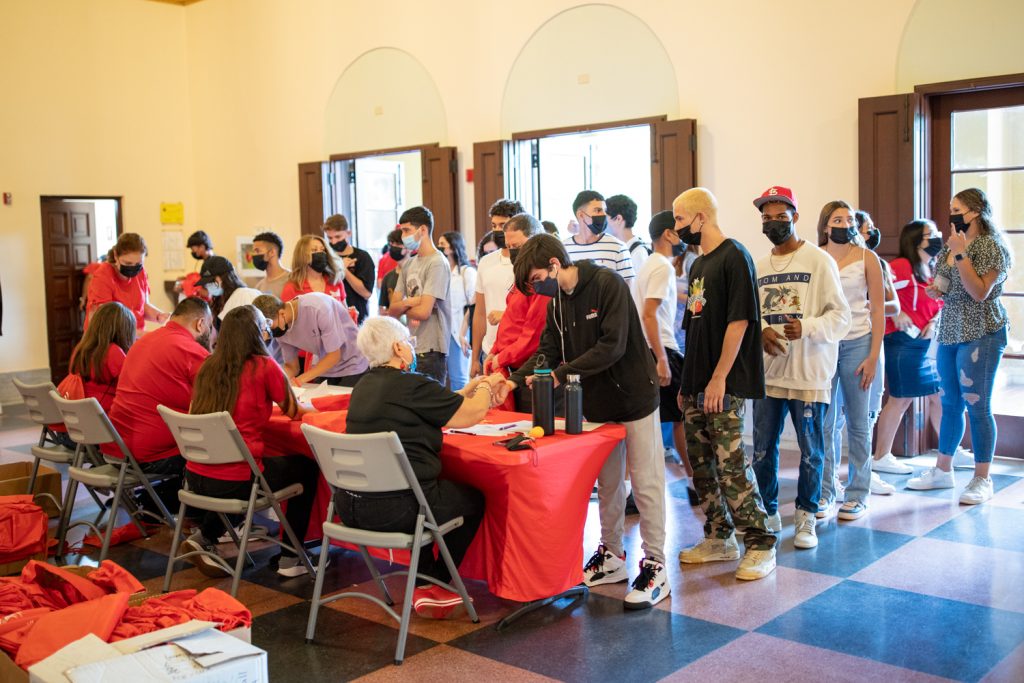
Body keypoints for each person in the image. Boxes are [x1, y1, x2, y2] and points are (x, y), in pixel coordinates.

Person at [496, 233, 670, 610]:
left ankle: (656, 563)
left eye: (536, 278)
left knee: (646, 481)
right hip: (598, 402)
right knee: (608, 484)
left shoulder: (607, 285)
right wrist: (510, 378)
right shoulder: (557, 303)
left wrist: (561, 373)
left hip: (635, 396)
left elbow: (613, 345)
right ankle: (612, 555)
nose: (534, 288)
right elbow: (547, 350)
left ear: (555, 266)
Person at [344, 316, 505, 618]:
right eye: (408, 341)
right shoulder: (412, 385)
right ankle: (436, 582)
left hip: (352, 506)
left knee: (420, 492)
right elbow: (471, 414)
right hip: (399, 509)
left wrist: (467, 390)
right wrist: (485, 385)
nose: (411, 347)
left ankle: (425, 580)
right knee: (470, 499)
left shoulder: (363, 387)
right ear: (398, 348)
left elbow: (435, 405)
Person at [673, 188, 775, 582]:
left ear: (701, 217)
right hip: (697, 385)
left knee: (732, 468)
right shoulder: (697, 266)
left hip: (725, 384)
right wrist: (689, 382)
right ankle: (719, 537)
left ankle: (760, 543)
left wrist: (718, 378)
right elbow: (694, 330)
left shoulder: (735, 256)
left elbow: (739, 323)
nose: (678, 228)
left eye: (682, 220)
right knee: (703, 467)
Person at [184, 305, 320, 578]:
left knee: (245, 469)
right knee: (305, 467)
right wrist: (320, 409)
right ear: (257, 333)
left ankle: (206, 535)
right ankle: (293, 556)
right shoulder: (263, 365)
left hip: (196, 474)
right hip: (236, 479)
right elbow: (294, 411)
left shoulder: (209, 365)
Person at [750, 187, 851, 550]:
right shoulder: (758, 267)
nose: (773, 222)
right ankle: (768, 511)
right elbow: (751, 315)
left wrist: (806, 327)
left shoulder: (819, 261)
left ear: (795, 215)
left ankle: (807, 514)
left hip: (809, 373)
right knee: (762, 449)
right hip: (769, 374)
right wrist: (761, 331)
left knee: (811, 450)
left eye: (780, 216)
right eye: (766, 217)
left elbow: (842, 316)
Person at [908, 188, 1012, 504]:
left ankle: (982, 478)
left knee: (977, 403)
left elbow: (979, 292)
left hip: (982, 330)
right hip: (950, 329)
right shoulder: (950, 248)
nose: (952, 215)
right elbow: (943, 284)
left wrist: (962, 254)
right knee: (950, 401)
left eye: (958, 209)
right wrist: (934, 290)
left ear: (976, 212)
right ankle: (943, 470)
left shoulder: (992, 248)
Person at [818, 200, 886, 521]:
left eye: (848, 219)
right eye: (837, 219)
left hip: (858, 343)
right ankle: (826, 489)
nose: (844, 223)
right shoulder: (816, 256)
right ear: (826, 226)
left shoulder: (866, 257)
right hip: (825, 345)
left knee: (859, 423)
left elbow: (877, 309)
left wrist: (873, 356)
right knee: (826, 423)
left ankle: (858, 492)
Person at [104, 297, 213, 497]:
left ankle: (158, 506)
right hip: (147, 455)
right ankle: (205, 518)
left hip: (116, 445)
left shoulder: (142, 341)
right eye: (210, 326)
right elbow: (215, 405)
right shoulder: (193, 351)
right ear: (201, 324)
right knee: (220, 451)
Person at [872, 219, 946, 474]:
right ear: (916, 240)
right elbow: (879, 293)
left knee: (938, 397)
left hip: (925, 345)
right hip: (902, 341)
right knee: (900, 399)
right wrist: (897, 313)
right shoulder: (901, 267)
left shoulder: (932, 269)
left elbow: (940, 305)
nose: (937, 237)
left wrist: (935, 321)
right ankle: (881, 456)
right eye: (930, 234)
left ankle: (949, 451)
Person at [636, 210, 694, 494]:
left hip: (653, 349)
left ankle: (637, 489)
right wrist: (662, 359)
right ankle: (695, 482)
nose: (684, 232)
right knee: (681, 418)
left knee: (665, 420)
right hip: (661, 349)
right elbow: (649, 315)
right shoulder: (662, 267)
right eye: (679, 226)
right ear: (668, 234)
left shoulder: (651, 265)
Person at [482, 214, 552, 412]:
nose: (513, 252)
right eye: (509, 247)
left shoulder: (540, 283)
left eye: (518, 246)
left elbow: (532, 336)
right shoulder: (521, 277)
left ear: (536, 241)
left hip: (529, 371)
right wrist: (494, 350)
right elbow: (510, 322)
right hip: (509, 365)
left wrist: (500, 358)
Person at [389, 206, 452, 385]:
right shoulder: (409, 264)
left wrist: (404, 306)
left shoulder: (437, 263)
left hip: (432, 349)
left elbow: (424, 312)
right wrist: (414, 300)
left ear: (422, 230)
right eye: (402, 231)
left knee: (430, 406)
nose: (403, 236)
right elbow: (392, 310)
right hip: (411, 346)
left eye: (407, 230)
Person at [255, 292, 368, 387]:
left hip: (353, 362)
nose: (270, 332)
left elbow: (334, 355)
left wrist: (299, 380)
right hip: (326, 367)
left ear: (282, 313)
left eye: (270, 326)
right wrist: (272, 381)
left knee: (343, 405)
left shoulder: (318, 309)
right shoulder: (281, 329)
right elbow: (292, 367)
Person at [470, 199, 523, 377]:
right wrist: (474, 358)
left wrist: (506, 315)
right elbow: (479, 312)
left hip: (519, 349)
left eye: (503, 225)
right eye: (494, 225)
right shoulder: (486, 262)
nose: (497, 230)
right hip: (490, 350)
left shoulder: (528, 262)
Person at [86, 232, 169, 332]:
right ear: (116, 255)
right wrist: (142, 335)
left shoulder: (141, 272)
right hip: (109, 339)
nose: (133, 267)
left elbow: (142, 306)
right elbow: (104, 321)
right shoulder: (103, 276)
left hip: (135, 336)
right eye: (128, 263)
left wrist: (159, 316)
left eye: (138, 263)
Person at [66, 302, 137, 414]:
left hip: (82, 415)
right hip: (105, 417)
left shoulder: (80, 349)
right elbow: (133, 386)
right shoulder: (113, 352)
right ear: (123, 331)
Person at [562, 190, 635, 286]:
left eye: (605, 211)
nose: (603, 215)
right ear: (581, 215)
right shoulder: (564, 249)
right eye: (598, 210)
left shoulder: (618, 247)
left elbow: (627, 291)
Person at [437, 232, 476, 390]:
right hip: (444, 330)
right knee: (447, 378)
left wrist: (464, 333)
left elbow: (473, 305)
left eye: (442, 244)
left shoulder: (467, 273)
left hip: (461, 330)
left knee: (460, 377)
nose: (439, 247)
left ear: (453, 247)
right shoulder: (442, 271)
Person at [323, 214, 375, 323]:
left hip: (357, 318)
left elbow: (366, 293)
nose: (333, 242)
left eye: (338, 237)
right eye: (330, 238)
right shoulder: (325, 258)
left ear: (349, 233)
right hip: (331, 318)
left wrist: (344, 270)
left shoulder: (362, 257)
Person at [195, 256, 262, 327]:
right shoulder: (221, 300)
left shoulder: (246, 294)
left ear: (222, 278)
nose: (207, 286)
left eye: (210, 282)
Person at [281, 234, 346, 304]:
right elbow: (287, 314)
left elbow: (344, 311)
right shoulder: (292, 288)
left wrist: (351, 313)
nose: (320, 253)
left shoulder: (335, 281)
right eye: (314, 250)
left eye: (322, 250)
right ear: (303, 256)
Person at [607, 193, 650, 277]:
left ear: (618, 219)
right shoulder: (620, 248)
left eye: (605, 218)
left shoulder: (638, 254)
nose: (602, 224)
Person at [252, 231, 291, 299]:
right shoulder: (259, 287)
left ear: (272, 252)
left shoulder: (293, 279)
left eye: (257, 251)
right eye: (254, 251)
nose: (254, 255)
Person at [378, 229, 407, 316]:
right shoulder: (388, 277)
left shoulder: (417, 273)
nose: (393, 247)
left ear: (409, 247)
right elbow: (382, 307)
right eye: (391, 244)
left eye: (398, 244)